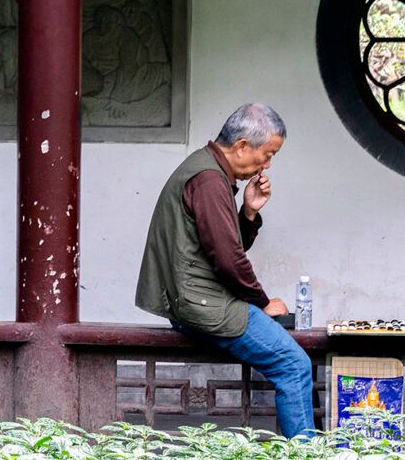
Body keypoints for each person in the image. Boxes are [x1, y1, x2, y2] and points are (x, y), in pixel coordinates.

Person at [134, 103, 314, 437]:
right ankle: (306, 453)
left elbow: (221, 246)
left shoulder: (208, 171)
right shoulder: (209, 180)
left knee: (293, 362)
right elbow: (228, 260)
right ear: (243, 145)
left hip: (194, 300)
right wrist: (262, 303)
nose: (268, 164)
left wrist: (248, 212)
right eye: (268, 154)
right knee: (294, 365)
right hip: (202, 304)